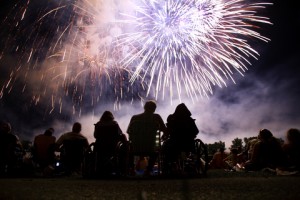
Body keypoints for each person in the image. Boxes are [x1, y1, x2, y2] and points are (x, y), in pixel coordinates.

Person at [127, 100, 168, 176]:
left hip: (136, 148)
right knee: (156, 151)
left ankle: (132, 170)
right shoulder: (156, 117)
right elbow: (165, 130)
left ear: (144, 107)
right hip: (151, 148)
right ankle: (148, 170)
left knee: (129, 149)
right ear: (154, 109)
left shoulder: (135, 118)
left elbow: (129, 131)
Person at [162, 103, 199, 172]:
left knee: (165, 147)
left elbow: (168, 130)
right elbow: (196, 131)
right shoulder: (190, 120)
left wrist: (165, 136)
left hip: (174, 144)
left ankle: (169, 165)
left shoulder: (171, 118)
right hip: (189, 144)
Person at [93, 111, 128, 176]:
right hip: (112, 147)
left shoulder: (98, 124)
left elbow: (95, 136)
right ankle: (124, 167)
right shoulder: (114, 124)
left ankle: (98, 169)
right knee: (124, 138)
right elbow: (119, 133)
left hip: (100, 148)